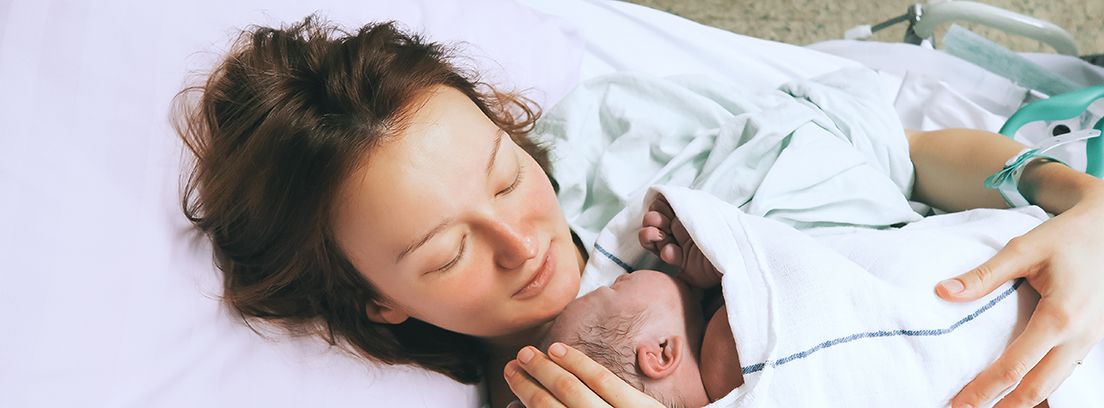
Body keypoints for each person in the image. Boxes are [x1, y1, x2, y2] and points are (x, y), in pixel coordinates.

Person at [174, 16, 1104, 408]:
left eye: (503, 176)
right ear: (378, 299)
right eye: (447, 249)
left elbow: (906, 150)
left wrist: (1078, 205)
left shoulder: (621, 141)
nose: (521, 239)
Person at [538, 193, 1054, 407]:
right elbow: (779, 275)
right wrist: (724, 261)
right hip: (1001, 310)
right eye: (617, 286)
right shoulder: (729, 339)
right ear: (660, 354)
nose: (623, 275)